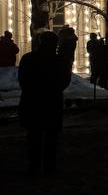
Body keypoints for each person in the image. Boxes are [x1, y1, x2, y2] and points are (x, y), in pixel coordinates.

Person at [19, 32, 72, 175]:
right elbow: (65, 80)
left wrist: (32, 90)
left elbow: (22, 80)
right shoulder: (60, 60)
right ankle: (49, 168)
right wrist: (54, 89)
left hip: (33, 103)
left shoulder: (28, 59)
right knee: (51, 139)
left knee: (33, 138)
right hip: (52, 103)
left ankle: (33, 167)